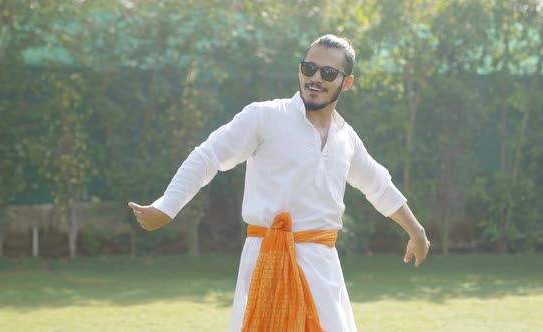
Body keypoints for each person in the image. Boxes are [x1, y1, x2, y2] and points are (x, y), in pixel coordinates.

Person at [128, 34, 430, 332]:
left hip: (323, 270)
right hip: (267, 262)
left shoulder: (345, 138)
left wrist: (416, 231)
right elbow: (208, 155)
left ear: (346, 82)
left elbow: (378, 185)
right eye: (308, 68)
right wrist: (167, 206)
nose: (315, 78)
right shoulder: (265, 117)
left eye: (328, 72)